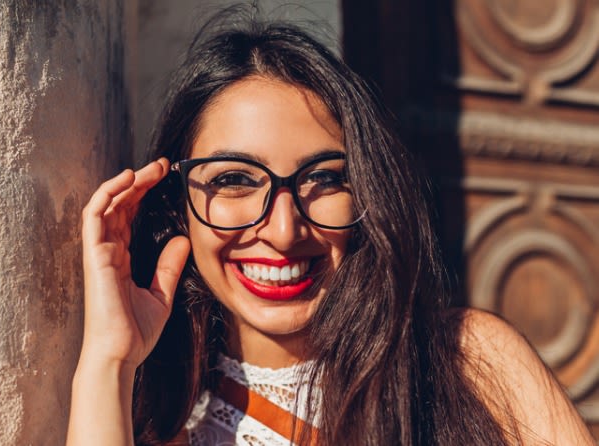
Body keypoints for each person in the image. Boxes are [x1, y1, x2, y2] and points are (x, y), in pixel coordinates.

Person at [66, 15, 593, 446]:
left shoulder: (471, 364)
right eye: (233, 180)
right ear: (177, 206)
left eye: (323, 178)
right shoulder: (158, 427)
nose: (283, 228)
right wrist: (109, 360)